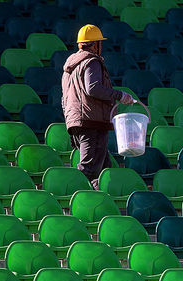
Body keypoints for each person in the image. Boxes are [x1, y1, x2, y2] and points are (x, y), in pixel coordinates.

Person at [61, 24, 133, 189]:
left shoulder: (69, 68)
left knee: (104, 170)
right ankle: (73, 197)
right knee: (90, 169)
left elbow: (64, 97)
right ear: (95, 44)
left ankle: (100, 204)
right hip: (91, 122)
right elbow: (92, 88)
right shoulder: (91, 61)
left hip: (77, 121)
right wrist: (119, 95)